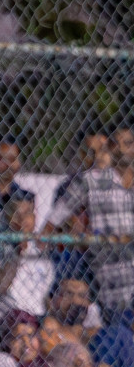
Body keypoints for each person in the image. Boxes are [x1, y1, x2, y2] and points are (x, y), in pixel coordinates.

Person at [48, 120, 134, 317]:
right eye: (91, 152)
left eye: (102, 150)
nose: (98, 157)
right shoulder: (74, 184)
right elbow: (59, 224)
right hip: (82, 257)